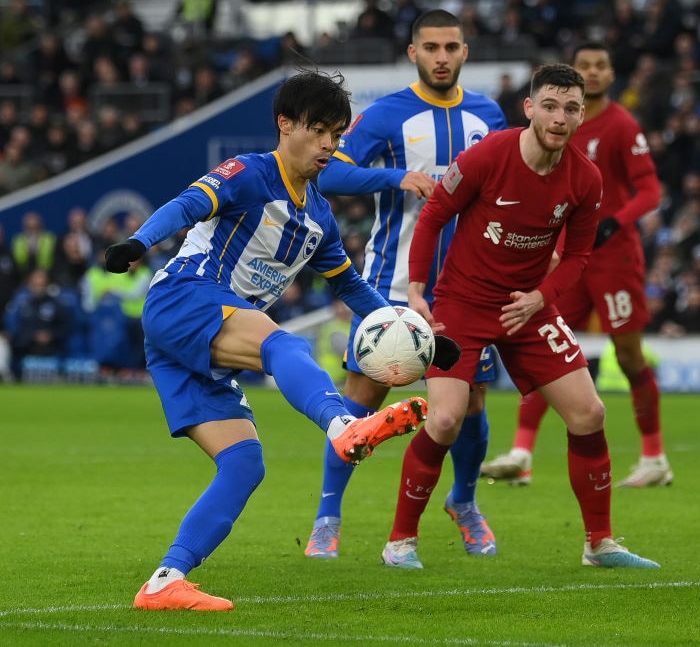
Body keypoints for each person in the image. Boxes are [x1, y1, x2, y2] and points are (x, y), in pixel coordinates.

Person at [102, 70, 447, 611]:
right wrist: (140, 241)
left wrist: (419, 338)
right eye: (319, 130)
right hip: (184, 298)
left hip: (198, 338)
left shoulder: (319, 217)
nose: (330, 145)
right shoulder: (249, 173)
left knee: (244, 464)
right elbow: (189, 203)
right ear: (285, 125)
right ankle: (343, 423)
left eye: (337, 133)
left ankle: (165, 581)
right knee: (283, 346)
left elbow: (352, 288)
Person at [382, 63, 659, 569]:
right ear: (529, 108)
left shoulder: (586, 178)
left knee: (590, 412)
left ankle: (600, 543)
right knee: (444, 419)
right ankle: (401, 541)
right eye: (549, 106)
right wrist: (418, 292)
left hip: (527, 308)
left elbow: (576, 257)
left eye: (571, 108)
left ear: (580, 117)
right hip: (463, 302)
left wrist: (539, 295)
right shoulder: (489, 155)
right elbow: (435, 214)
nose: (559, 117)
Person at [305, 9, 507, 560]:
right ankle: (328, 513)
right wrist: (396, 176)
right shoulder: (389, 114)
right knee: (362, 400)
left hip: (469, 288)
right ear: (412, 52)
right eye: (431, 47)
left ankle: (464, 502)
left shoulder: (489, 115)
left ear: (466, 52)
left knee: (470, 405)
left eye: (451, 47)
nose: (441, 57)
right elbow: (331, 171)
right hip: (390, 284)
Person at [480, 42, 671, 488]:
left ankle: (655, 457)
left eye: (601, 65)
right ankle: (522, 453)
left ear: (609, 73)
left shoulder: (622, 125)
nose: (594, 71)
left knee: (628, 354)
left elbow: (650, 192)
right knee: (548, 351)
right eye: (585, 65)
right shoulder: (553, 124)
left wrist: (614, 223)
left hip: (614, 260)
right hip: (563, 259)